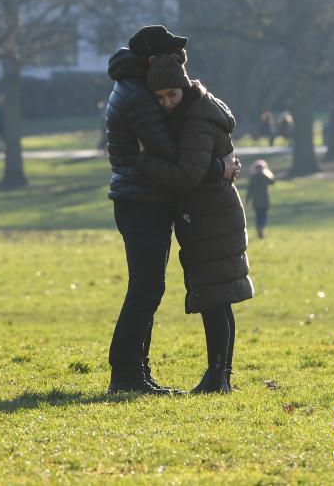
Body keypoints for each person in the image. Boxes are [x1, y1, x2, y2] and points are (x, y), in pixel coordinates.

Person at [104, 25, 239, 396]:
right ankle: (127, 373)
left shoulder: (132, 87)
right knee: (146, 288)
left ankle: (135, 372)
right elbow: (173, 159)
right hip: (142, 201)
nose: (165, 101)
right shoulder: (139, 97)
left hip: (142, 199)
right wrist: (218, 165)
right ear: (151, 60)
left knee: (148, 287)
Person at [135, 53, 254, 394]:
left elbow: (188, 175)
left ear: (184, 88)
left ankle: (218, 377)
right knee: (218, 298)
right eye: (160, 98)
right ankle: (220, 376)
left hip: (211, 216)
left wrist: (144, 160)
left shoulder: (196, 120)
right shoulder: (196, 111)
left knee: (214, 298)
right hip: (211, 213)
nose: (166, 103)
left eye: (171, 94)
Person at [245, 160, 275, 239]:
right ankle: (261, 227)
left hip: (256, 201)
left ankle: (259, 227)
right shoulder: (265, 176)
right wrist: (268, 173)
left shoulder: (253, 177)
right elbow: (272, 181)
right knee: (264, 215)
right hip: (265, 200)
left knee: (258, 215)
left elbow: (249, 190)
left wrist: (247, 200)